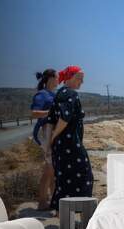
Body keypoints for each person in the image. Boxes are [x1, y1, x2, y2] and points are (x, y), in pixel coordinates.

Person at [48, 66, 94, 210]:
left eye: (82, 79)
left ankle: (62, 212)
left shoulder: (60, 93)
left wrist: (51, 139)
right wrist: (54, 135)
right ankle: (82, 211)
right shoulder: (71, 94)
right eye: (79, 79)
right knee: (85, 175)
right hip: (70, 144)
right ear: (70, 78)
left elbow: (50, 119)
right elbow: (65, 117)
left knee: (64, 177)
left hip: (61, 144)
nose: (81, 82)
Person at [30, 68, 58, 210]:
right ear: (51, 79)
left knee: (53, 169)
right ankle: (42, 202)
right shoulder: (42, 95)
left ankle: (52, 199)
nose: (59, 80)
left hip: (52, 132)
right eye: (57, 77)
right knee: (49, 168)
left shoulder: (51, 94)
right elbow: (34, 113)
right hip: (47, 132)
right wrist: (52, 112)